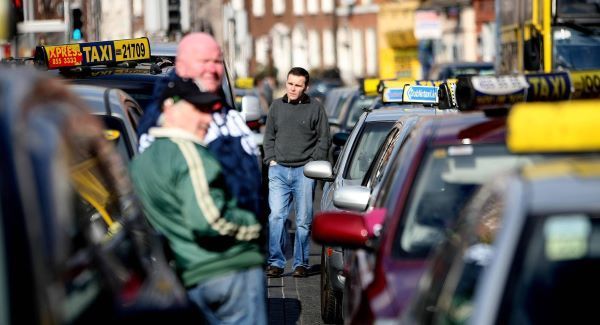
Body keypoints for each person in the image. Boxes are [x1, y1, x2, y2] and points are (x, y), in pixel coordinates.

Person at [130, 77, 267, 324]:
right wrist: (254, 225)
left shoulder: (142, 162)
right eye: (198, 109)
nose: (207, 118)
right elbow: (209, 219)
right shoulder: (189, 152)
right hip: (229, 270)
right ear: (170, 107)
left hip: (191, 275)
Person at [137, 32, 263, 220]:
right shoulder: (168, 115)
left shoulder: (226, 112)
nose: (212, 68)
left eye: (217, 61)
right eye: (204, 61)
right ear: (181, 66)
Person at [263, 67, 331, 277]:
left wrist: (313, 163)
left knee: (303, 220)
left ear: (306, 87)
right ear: (286, 83)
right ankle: (276, 262)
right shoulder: (276, 107)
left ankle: (300, 263)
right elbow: (269, 136)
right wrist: (270, 159)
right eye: (290, 84)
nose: (293, 89)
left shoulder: (315, 108)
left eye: (298, 85)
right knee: (276, 217)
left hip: (304, 171)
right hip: (279, 170)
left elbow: (324, 138)